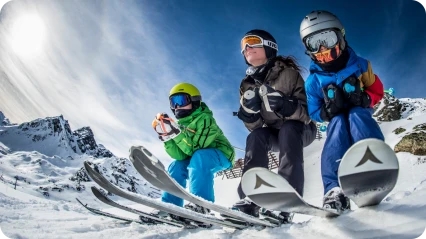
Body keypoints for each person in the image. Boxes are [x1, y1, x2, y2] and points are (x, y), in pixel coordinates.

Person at [300, 10, 385, 212]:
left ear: (340, 37)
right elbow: (313, 111)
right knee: (337, 126)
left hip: (359, 109)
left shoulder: (361, 65)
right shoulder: (313, 82)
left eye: (327, 39)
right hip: (336, 116)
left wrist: (365, 98)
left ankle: (372, 165)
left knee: (358, 115)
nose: (322, 48)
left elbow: (377, 91)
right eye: (314, 43)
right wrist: (327, 112)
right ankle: (334, 189)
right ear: (308, 49)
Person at [232, 29, 317, 223]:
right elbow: (255, 127)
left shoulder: (289, 74)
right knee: (256, 137)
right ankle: (250, 197)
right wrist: (249, 114)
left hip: (301, 129)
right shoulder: (246, 85)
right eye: (243, 45)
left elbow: (308, 114)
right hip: (274, 133)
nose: (247, 48)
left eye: (252, 42)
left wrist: (288, 106)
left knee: (289, 129)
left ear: (269, 46)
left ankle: (286, 198)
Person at [152, 82, 235, 214]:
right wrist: (167, 137)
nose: (177, 106)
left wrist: (176, 134)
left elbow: (197, 148)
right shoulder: (179, 125)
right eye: (174, 102)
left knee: (200, 156)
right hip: (196, 157)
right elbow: (180, 156)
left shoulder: (205, 119)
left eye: (181, 100)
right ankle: (170, 207)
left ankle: (202, 205)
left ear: (195, 100)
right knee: (176, 166)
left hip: (222, 155)